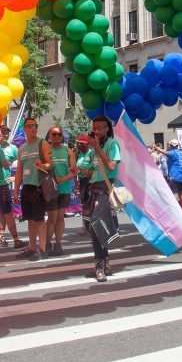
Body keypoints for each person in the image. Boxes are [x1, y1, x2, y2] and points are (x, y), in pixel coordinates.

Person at [84, 115, 121, 282]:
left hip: (105, 190)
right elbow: (92, 171)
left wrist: (98, 148)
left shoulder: (112, 144)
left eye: (100, 128)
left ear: (107, 129)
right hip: (93, 189)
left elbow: (112, 166)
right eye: (94, 128)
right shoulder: (92, 148)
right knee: (95, 227)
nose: (96, 131)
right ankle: (105, 261)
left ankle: (99, 265)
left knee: (96, 224)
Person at [14, 117, 51, 260]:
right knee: (30, 220)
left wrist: (43, 165)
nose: (33, 128)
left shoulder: (43, 143)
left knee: (39, 219)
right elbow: (18, 172)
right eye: (30, 126)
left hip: (39, 187)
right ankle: (31, 247)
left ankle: (42, 250)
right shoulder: (21, 149)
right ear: (24, 129)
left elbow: (50, 164)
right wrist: (16, 191)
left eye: (35, 125)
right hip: (27, 187)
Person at [45, 126, 76, 256]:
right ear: (50, 136)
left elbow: (74, 171)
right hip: (50, 190)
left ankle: (58, 244)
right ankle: (47, 243)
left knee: (60, 217)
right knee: (52, 217)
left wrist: (63, 179)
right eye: (54, 134)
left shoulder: (68, 151)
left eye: (59, 134)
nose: (57, 136)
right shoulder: (46, 151)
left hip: (64, 189)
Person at [156, 140, 182, 209]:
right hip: (181, 176)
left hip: (174, 176)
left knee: (174, 193)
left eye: (169, 145)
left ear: (172, 146)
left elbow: (165, 152)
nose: (169, 146)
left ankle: (177, 209)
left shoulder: (173, 152)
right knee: (181, 192)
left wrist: (156, 148)